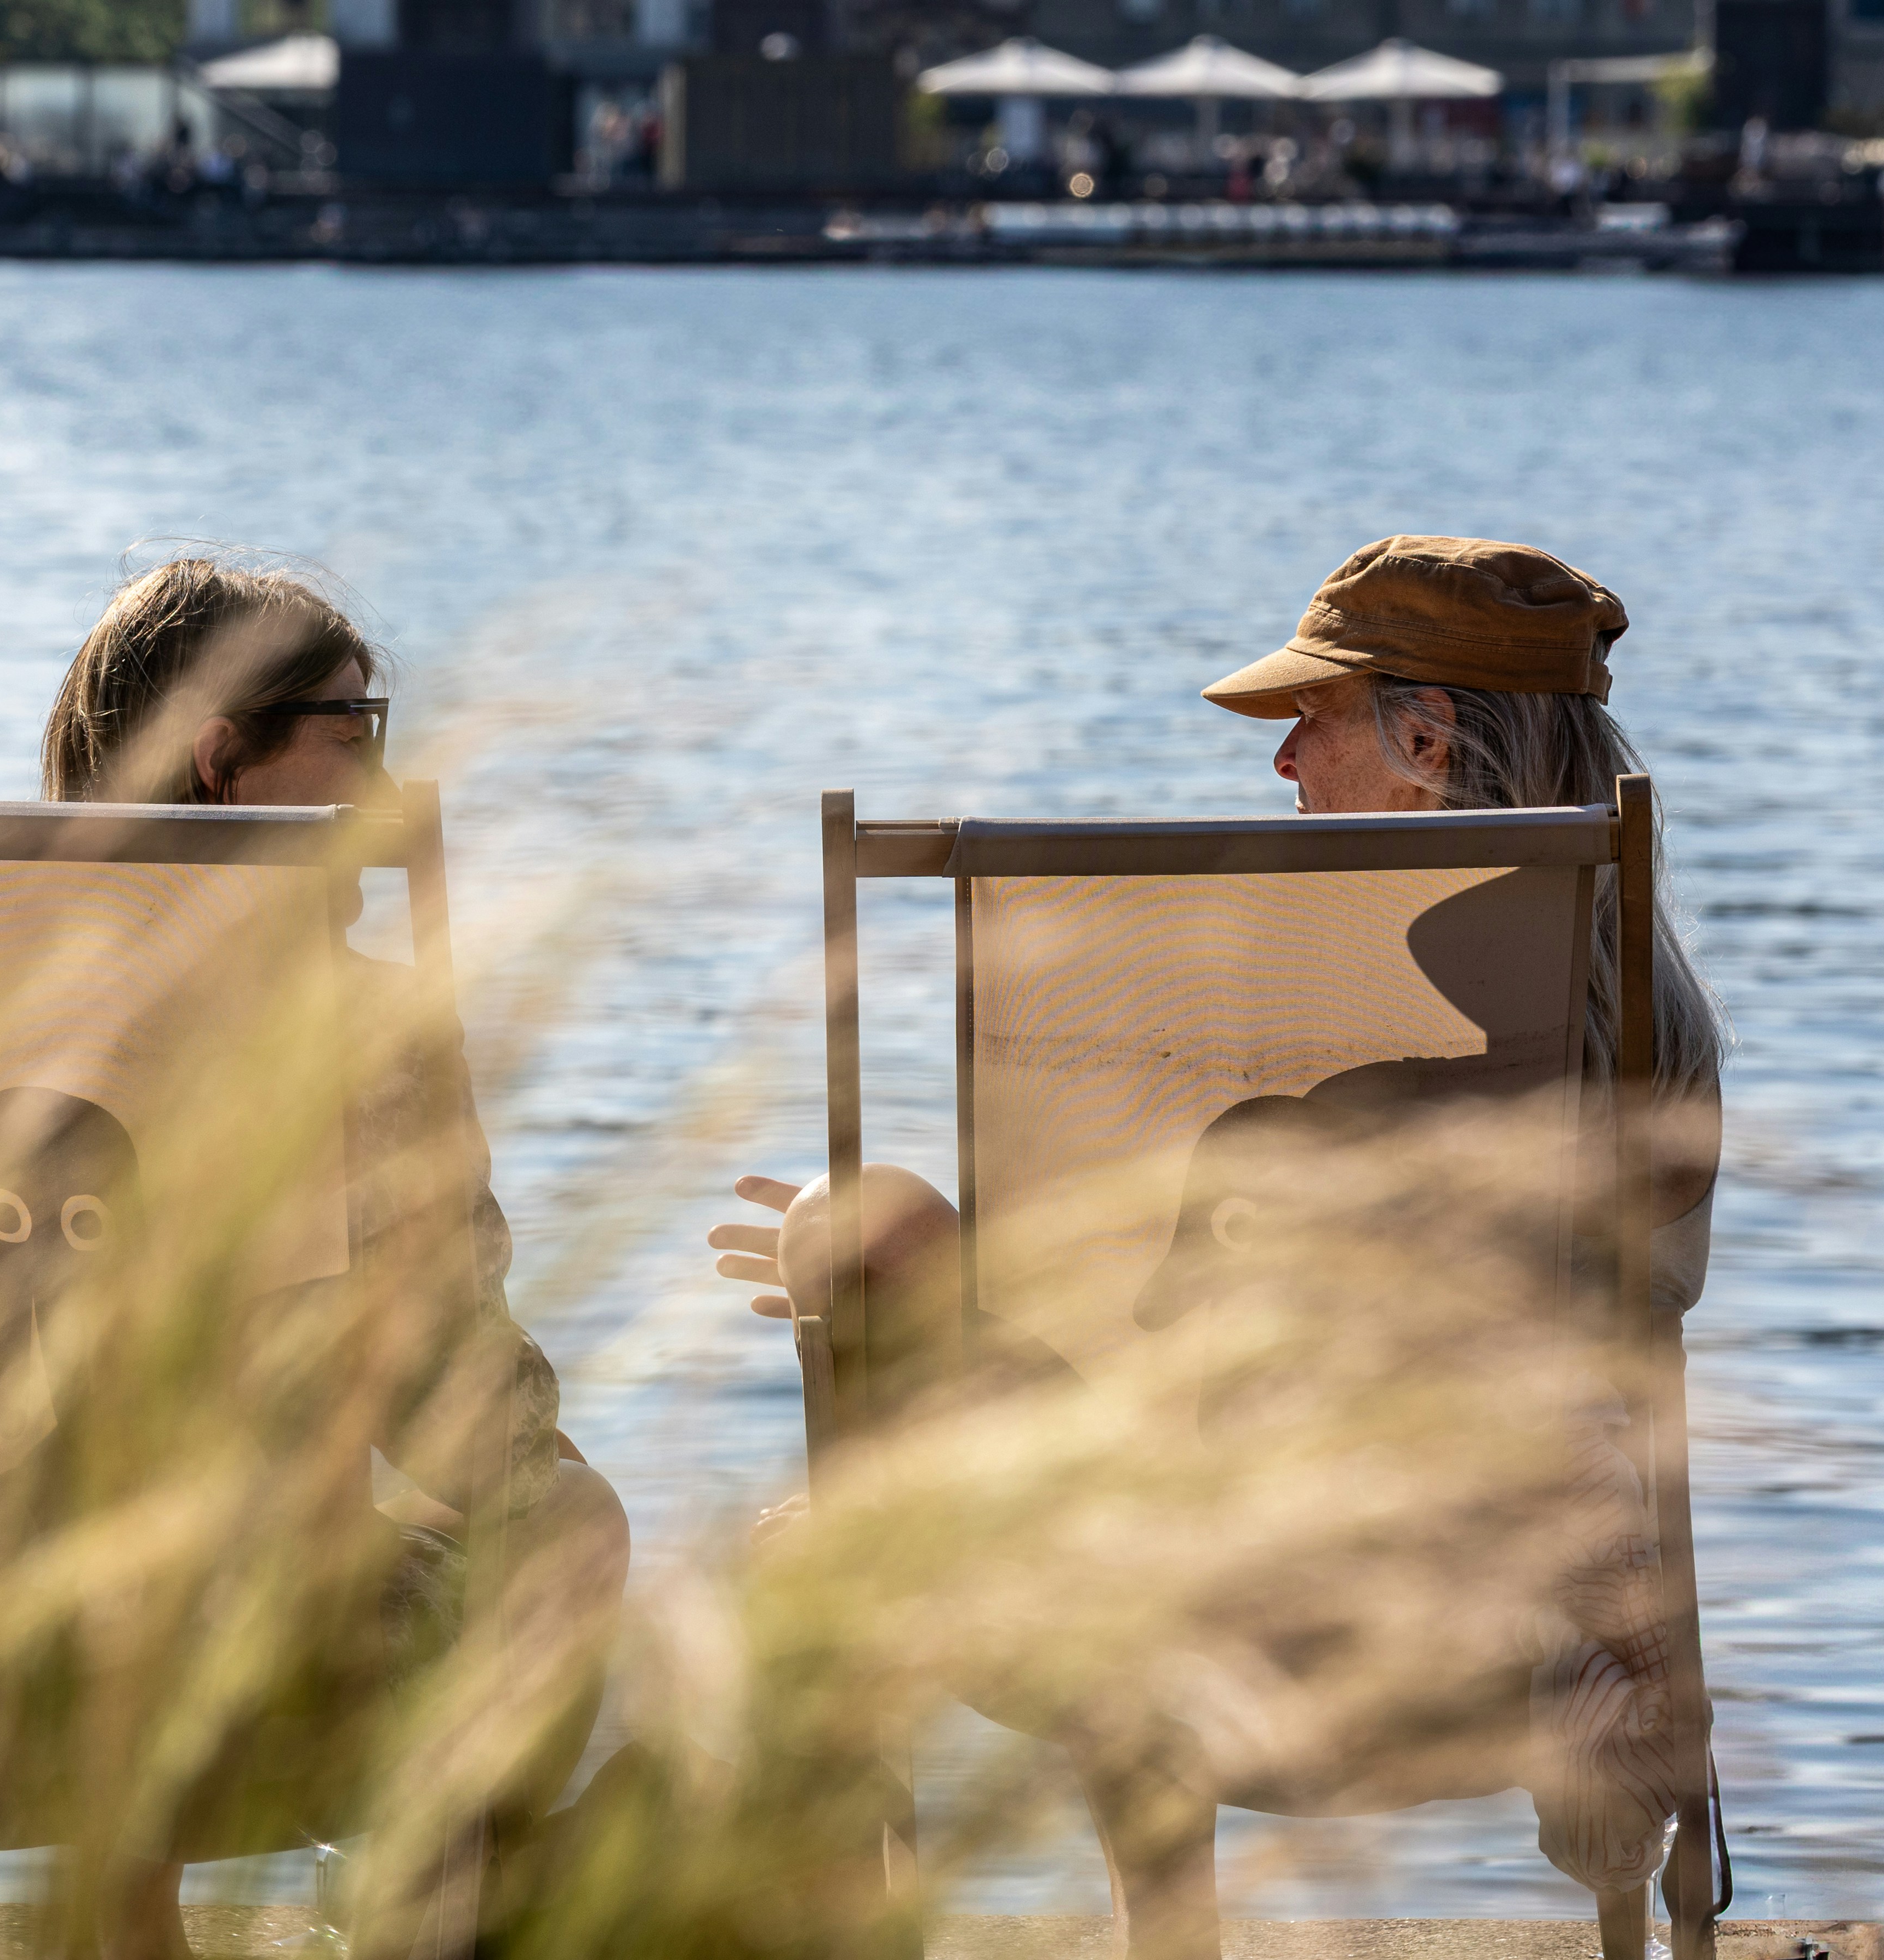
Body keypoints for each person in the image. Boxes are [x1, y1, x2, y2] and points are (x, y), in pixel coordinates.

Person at [709, 536, 1725, 1960]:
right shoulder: (1649, 1045)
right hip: (1500, 1632)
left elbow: (1157, 1403)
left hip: (1224, 1616)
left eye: (1311, 721)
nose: (1282, 766)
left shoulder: (1358, 1076)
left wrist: (895, 1249)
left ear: (1426, 744)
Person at [0, 556, 627, 1960]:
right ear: (223, 758)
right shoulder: (346, 1041)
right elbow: (469, 1434)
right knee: (560, 1534)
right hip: (237, 1699)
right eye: (352, 730)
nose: (382, 786)